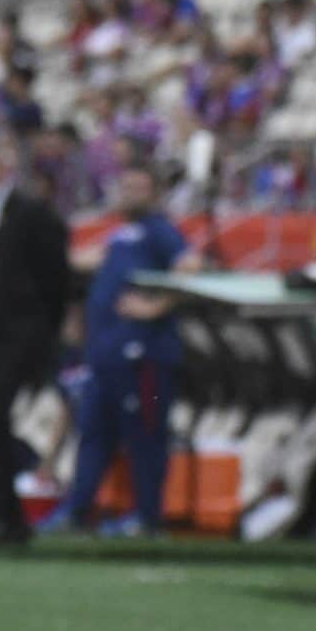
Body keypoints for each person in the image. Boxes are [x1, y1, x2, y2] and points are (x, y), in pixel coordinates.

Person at [50, 160, 196, 536]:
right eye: (125, 186)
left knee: (145, 437)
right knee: (93, 433)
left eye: (138, 188)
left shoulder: (159, 231)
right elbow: (81, 262)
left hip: (143, 354)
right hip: (105, 355)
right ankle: (79, 511)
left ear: (155, 193)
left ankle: (149, 518)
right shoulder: (119, 234)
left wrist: (157, 306)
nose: (129, 194)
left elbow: (190, 264)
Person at [0, 134, 72, 545]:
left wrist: (46, 331)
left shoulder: (31, 213)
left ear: (2, 170)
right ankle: (4, 512)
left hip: (17, 331)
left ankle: (5, 512)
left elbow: (56, 278)